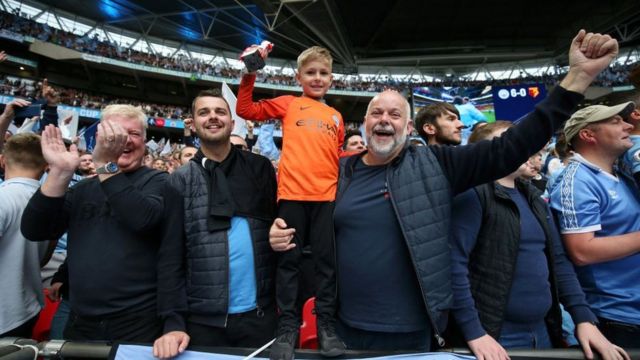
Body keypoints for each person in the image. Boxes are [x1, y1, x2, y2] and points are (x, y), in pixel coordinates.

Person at [270, 29, 619, 352]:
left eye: (394, 114)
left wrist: (577, 80)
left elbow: (510, 147)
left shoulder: (438, 164)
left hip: (415, 331)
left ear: (409, 127)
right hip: (344, 330)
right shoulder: (339, 171)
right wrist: (282, 233)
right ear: (364, 123)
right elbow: (313, 228)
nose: (383, 119)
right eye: (376, 112)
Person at [450, 121, 628, 360]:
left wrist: (584, 319)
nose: (520, 146)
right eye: (509, 141)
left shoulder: (531, 195)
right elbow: (453, 266)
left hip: (542, 329)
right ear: (486, 151)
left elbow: (559, 262)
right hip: (494, 336)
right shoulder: (473, 194)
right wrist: (474, 332)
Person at [21, 104, 183, 342]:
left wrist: (106, 165)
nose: (123, 140)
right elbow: (35, 229)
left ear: (145, 142)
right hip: (80, 320)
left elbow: (142, 219)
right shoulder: (83, 188)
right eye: (114, 132)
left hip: (138, 323)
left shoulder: (160, 181)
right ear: (98, 137)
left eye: (134, 134)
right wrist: (59, 172)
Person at [236, 46, 346, 359]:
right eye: (310, 72)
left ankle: (325, 326)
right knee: (288, 265)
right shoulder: (289, 104)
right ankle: (286, 328)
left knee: (327, 266)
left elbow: (334, 156)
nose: (317, 78)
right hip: (292, 197)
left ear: (331, 79)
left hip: (326, 199)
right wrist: (249, 74)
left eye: (323, 73)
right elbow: (246, 110)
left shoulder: (336, 117)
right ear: (298, 77)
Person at [153, 89, 278, 358]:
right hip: (203, 322)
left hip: (260, 317)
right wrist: (173, 322)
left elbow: (278, 229)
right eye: (204, 112)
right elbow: (170, 255)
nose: (213, 117)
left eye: (220, 112)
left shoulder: (260, 168)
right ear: (193, 123)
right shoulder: (179, 180)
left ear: (232, 123)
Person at [549, 101, 640, 347]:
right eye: (615, 122)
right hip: (616, 316)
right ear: (588, 135)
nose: (628, 125)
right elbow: (582, 251)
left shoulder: (621, 172)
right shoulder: (577, 180)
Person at [0, 133, 49, 338]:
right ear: (46, 165)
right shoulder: (51, 203)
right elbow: (44, 257)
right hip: (25, 310)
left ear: (2, 160)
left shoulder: (3, 198)